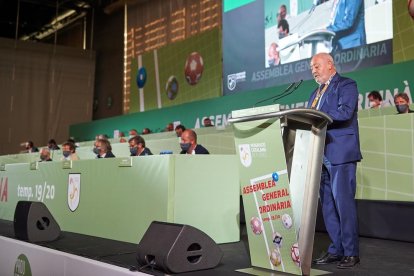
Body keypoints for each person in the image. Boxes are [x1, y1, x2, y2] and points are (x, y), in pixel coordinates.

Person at [308, 53, 361, 269]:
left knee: (343, 203)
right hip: (320, 154)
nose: (314, 70)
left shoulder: (346, 84)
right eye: (312, 67)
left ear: (330, 64)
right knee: (328, 205)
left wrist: (316, 113)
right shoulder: (314, 93)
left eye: (317, 65)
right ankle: (336, 249)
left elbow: (345, 113)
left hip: (340, 153)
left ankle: (351, 252)